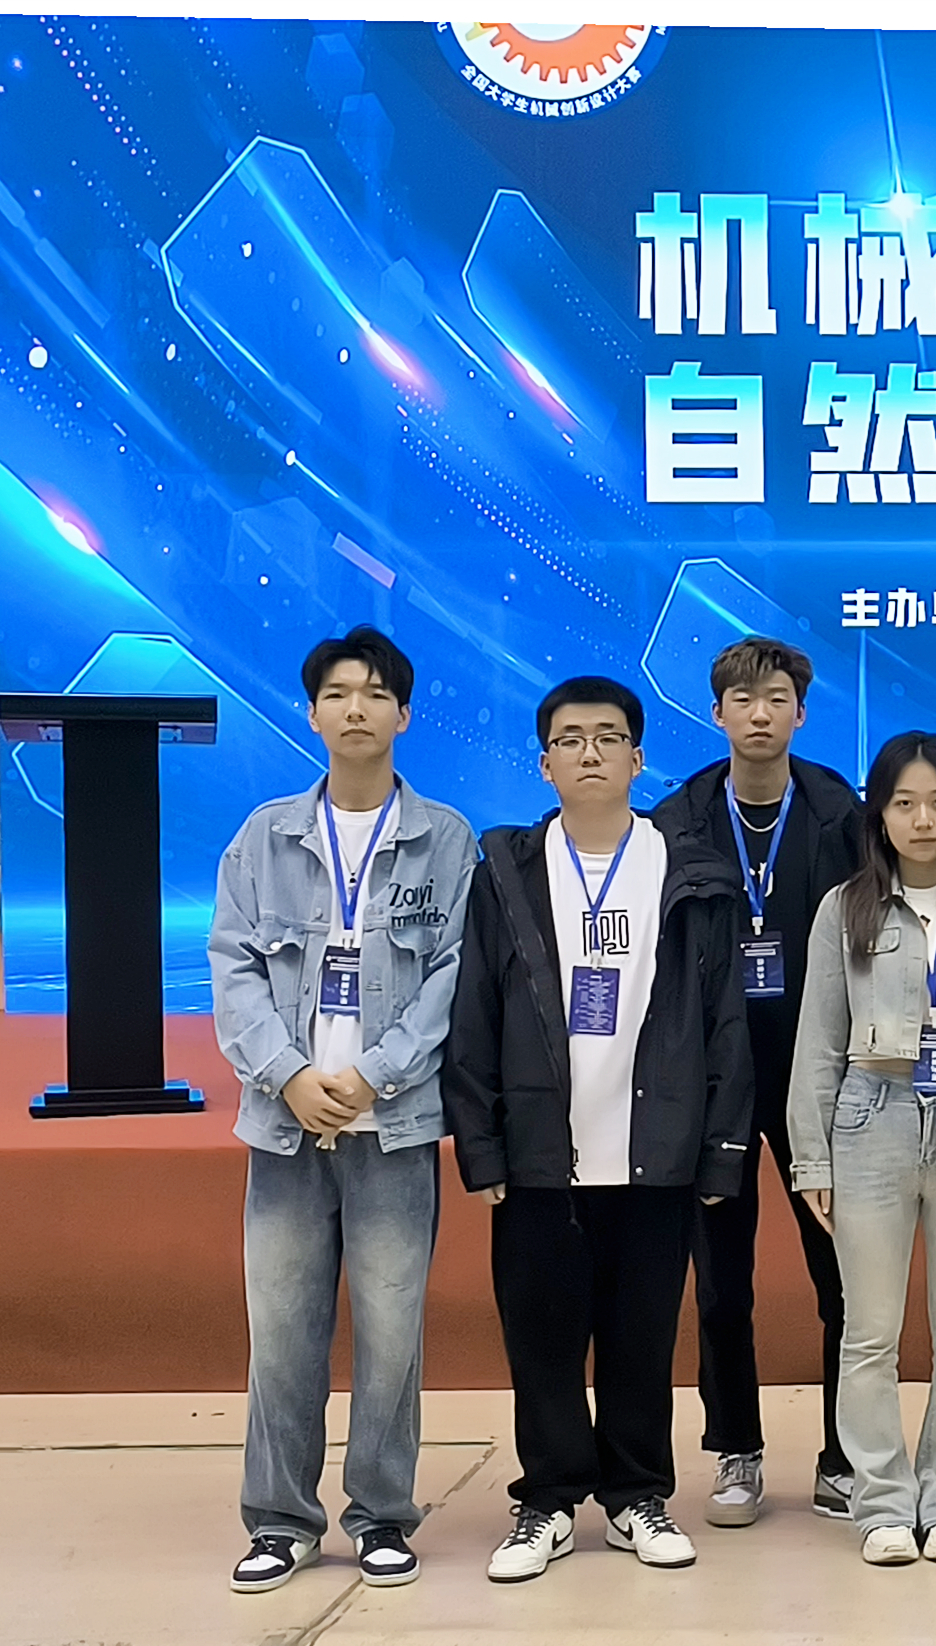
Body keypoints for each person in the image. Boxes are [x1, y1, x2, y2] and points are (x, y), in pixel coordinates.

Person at [442, 677, 754, 1583]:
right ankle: (546, 1500)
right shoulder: (507, 872)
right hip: (542, 1153)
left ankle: (636, 1496)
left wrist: (721, 1153)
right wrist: (482, 1146)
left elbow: (724, 1021)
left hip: (656, 1151)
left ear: (637, 759)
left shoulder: (689, 872)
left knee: (641, 1338)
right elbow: (474, 1011)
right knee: (540, 1338)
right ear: (544, 763)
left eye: (608, 737)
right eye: (570, 739)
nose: (590, 752)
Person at [210, 626, 475, 1594]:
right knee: (282, 1334)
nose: (355, 707)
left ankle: (382, 1516)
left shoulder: (446, 838)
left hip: (392, 1129)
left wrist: (376, 1074)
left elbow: (453, 972)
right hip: (285, 1130)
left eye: (373, 693)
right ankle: (280, 1520)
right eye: (337, 693)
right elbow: (232, 964)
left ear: (403, 714)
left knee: (393, 1336)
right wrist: (287, 1073)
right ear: (313, 712)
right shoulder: (265, 834)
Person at [650, 637, 859, 1527]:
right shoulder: (676, 822)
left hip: (822, 1073)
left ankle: (847, 1454)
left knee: (843, 1276)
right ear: (718, 713)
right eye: (743, 700)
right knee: (722, 1283)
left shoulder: (843, 814)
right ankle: (736, 1448)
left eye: (777, 698)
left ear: (800, 713)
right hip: (715, 1076)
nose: (760, 714)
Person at [787, 732, 936, 1567]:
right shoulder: (844, 908)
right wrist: (812, 1159)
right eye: (904, 803)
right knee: (869, 1334)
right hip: (870, 1116)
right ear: (878, 813)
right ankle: (880, 1502)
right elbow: (817, 1042)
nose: (922, 820)